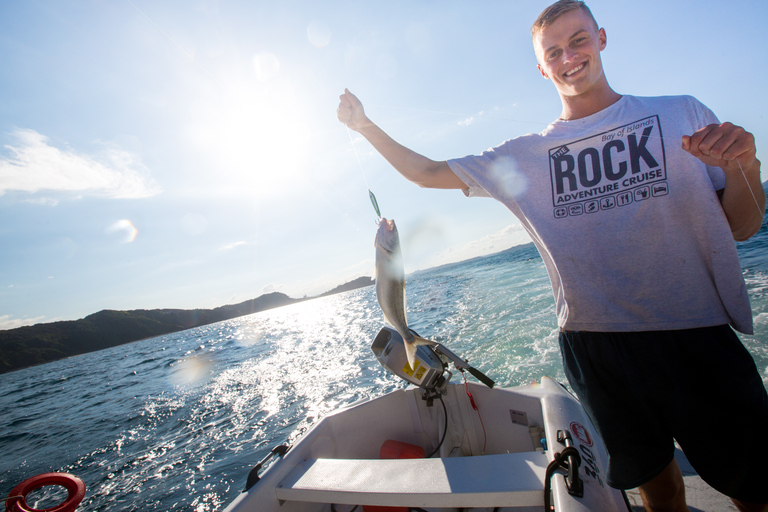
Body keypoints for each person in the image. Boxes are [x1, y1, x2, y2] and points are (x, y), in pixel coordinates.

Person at [337, 1, 767, 511]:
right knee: (659, 489)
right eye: (554, 51)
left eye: (579, 40)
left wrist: (746, 163)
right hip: (598, 347)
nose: (569, 57)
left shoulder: (683, 114)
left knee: (755, 489)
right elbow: (427, 172)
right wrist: (364, 126)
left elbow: (743, 226)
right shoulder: (526, 156)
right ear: (542, 67)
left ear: (602, 38)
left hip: (697, 334)